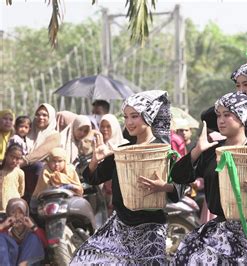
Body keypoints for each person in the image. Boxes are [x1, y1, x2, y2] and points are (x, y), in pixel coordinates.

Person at [171, 91, 247, 265]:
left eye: (228, 115)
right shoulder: (211, 151)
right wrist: (197, 150)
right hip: (221, 229)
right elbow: (179, 176)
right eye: (219, 115)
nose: (221, 120)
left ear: (243, 118)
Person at [70, 90, 182, 264]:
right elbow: (93, 178)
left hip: (150, 226)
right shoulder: (122, 151)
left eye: (134, 116)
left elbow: (180, 188)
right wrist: (94, 160)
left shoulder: (164, 152)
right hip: (120, 225)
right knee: (83, 259)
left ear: (149, 116)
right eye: (126, 117)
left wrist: (164, 186)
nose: (129, 122)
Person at [21, 103, 61, 203]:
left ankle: (35, 201)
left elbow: (41, 152)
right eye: (38, 114)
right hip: (22, 167)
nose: (40, 117)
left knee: (39, 166)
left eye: (44, 115)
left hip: (40, 171)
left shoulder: (54, 135)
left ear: (51, 117)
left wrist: (23, 161)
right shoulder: (28, 130)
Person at [98, 114, 129, 215]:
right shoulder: (97, 146)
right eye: (102, 126)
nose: (104, 129)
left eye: (108, 126)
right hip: (101, 195)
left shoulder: (124, 145)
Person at [0, 198, 46, 266]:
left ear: (25, 213)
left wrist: (33, 227)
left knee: (34, 238)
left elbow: (45, 243)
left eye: (20, 212)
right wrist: (3, 225)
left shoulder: (30, 223)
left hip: (27, 263)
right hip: (9, 261)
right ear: (8, 213)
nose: (17, 216)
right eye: (13, 212)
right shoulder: (5, 224)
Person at [0, 144, 25, 214]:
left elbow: (21, 191)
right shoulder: (1, 172)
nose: (14, 161)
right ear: (6, 155)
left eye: (17, 158)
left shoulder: (20, 173)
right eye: (12, 156)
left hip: (14, 209)